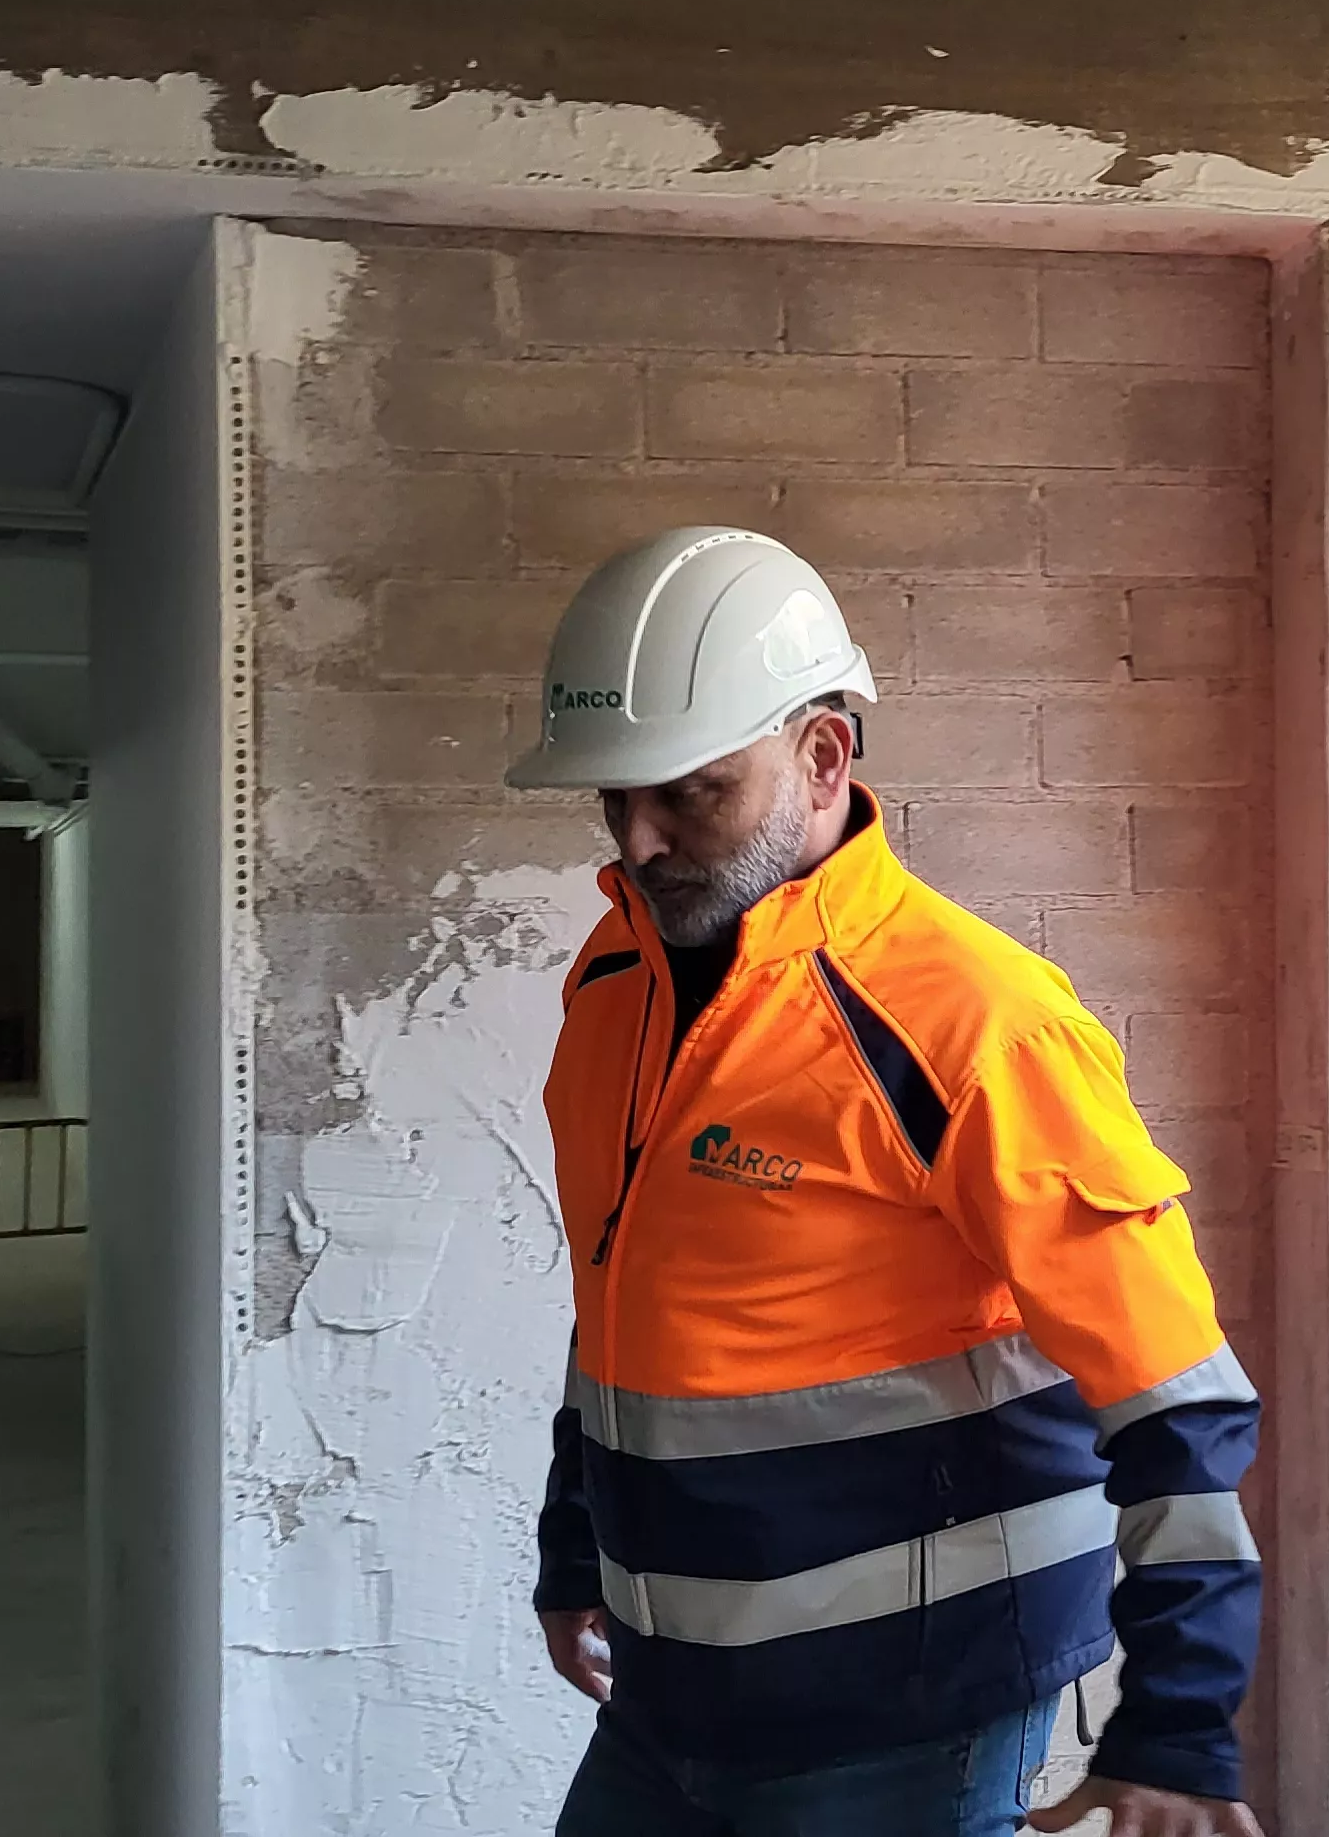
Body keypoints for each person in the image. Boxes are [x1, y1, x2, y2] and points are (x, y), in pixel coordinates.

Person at [507, 528, 1265, 1837]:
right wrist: (580, 1545)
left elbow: (1176, 1401)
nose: (639, 841)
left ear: (821, 760)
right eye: (612, 798)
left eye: (690, 793)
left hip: (906, 1717)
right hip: (669, 1694)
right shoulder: (614, 991)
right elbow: (621, 1302)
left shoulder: (972, 1023)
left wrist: (1180, 1727)